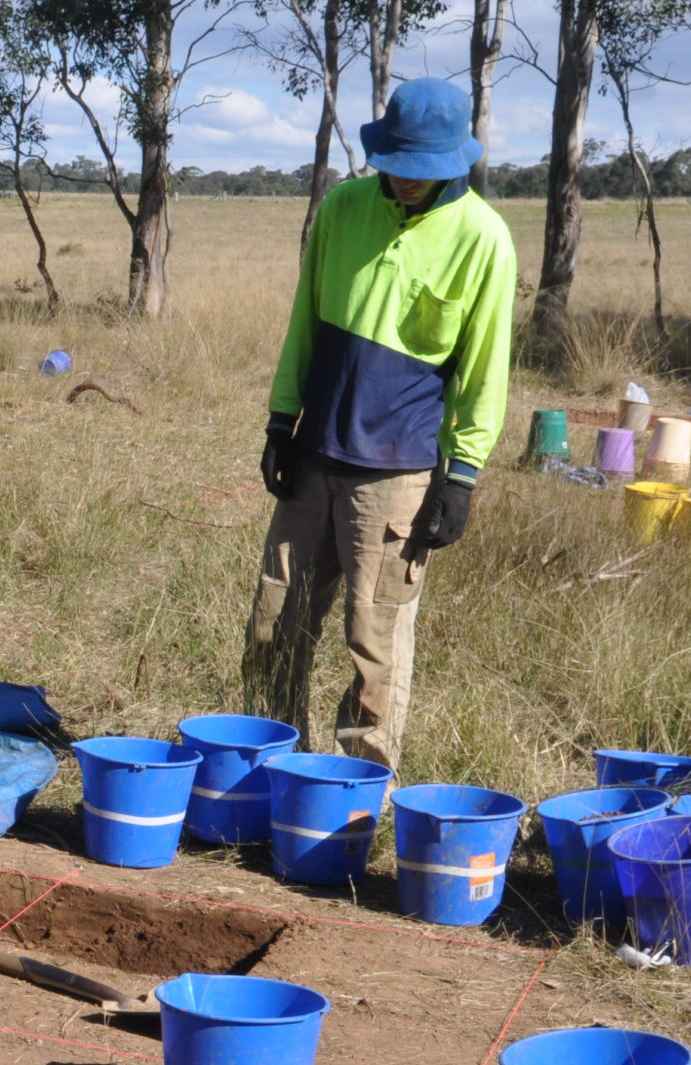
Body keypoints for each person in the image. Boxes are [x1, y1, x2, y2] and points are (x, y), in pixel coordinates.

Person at [244, 77, 515, 772]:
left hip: (397, 478)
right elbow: (304, 318)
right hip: (313, 460)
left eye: (420, 169)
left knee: (375, 646)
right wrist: (282, 420)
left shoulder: (484, 238)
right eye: (396, 164)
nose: (405, 180)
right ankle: (267, 772)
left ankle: (356, 799)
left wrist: (461, 476)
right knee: (276, 624)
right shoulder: (343, 207)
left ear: (455, 160)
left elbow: (485, 371)